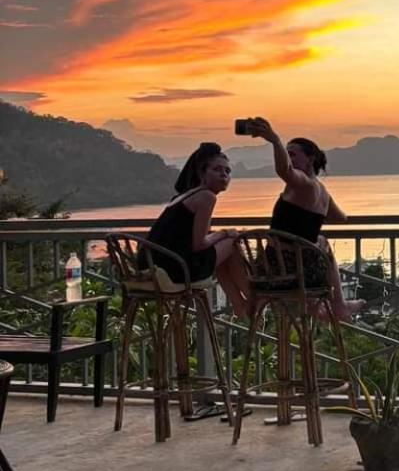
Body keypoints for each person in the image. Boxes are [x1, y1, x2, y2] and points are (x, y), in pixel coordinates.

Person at [244, 118, 362, 322]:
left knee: (228, 248)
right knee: (322, 241)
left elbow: (284, 171)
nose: (289, 159)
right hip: (307, 271)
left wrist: (274, 140)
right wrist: (310, 219)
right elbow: (340, 218)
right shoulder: (321, 191)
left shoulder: (303, 185)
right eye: (287, 154)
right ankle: (335, 307)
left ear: (310, 159)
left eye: (293, 154)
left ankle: (249, 306)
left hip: (278, 271)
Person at [146, 142, 252, 320]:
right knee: (231, 243)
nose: (224, 175)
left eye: (227, 171)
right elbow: (199, 244)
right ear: (202, 173)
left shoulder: (185, 196)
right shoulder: (206, 197)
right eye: (217, 169)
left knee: (222, 252)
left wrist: (219, 236)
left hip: (156, 264)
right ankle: (254, 298)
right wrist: (225, 233)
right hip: (174, 269)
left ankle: (240, 305)